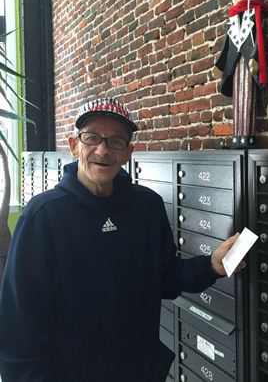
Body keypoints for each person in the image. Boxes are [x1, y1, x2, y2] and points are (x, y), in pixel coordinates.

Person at [0, 97, 245, 382]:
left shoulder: (147, 206)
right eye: (92, 138)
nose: (103, 150)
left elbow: (164, 278)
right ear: (74, 145)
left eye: (116, 141)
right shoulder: (43, 215)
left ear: (128, 153)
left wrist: (212, 266)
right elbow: (20, 324)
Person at [213, 0, 268, 148]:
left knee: (248, 99)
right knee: (237, 101)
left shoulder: (255, 13)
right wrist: (221, 65)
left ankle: (247, 138)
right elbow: (228, 45)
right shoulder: (233, 18)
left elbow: (259, 39)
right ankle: (237, 138)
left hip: (248, 64)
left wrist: (255, 59)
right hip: (235, 66)